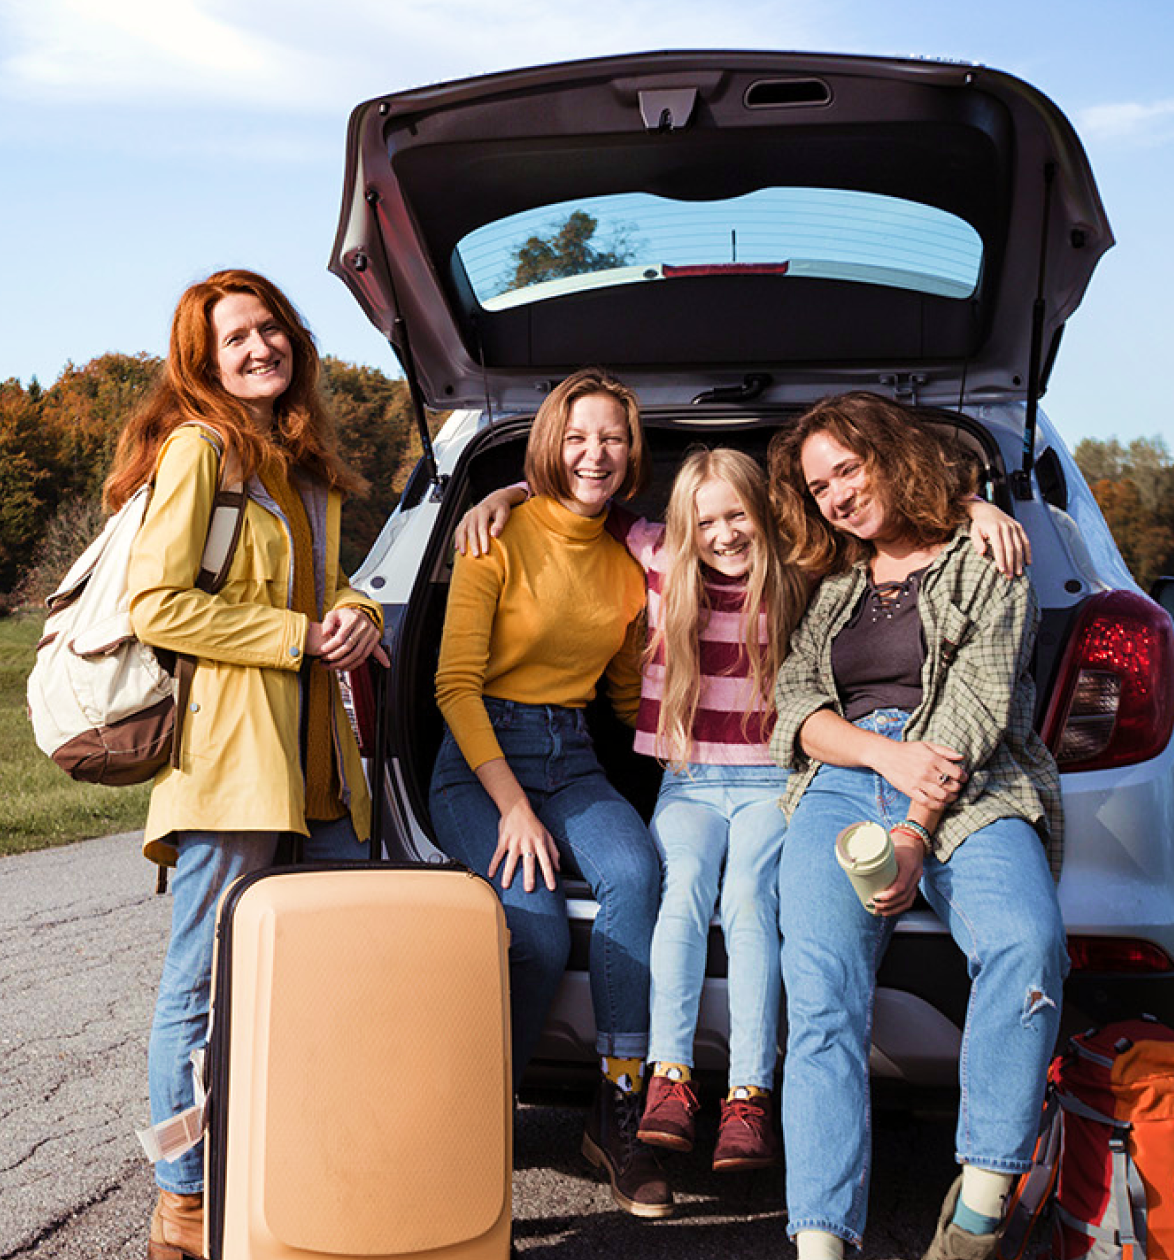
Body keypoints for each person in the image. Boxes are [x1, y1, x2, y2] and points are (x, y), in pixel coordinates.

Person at [456, 449, 1022, 1188]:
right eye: (706, 521)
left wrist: (973, 506)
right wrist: (506, 491)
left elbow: (885, 523)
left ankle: (747, 1095)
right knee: (680, 885)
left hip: (770, 783)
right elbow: (581, 496)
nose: (722, 534)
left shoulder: (798, 564)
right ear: (681, 528)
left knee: (752, 899)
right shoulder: (657, 552)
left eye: (737, 517)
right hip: (687, 783)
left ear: (767, 517)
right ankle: (668, 1077)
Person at [117, 269, 382, 1260]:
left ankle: (303, 1171)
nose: (259, 347)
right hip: (231, 765)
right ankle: (183, 1201)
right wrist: (296, 638)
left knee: (337, 977)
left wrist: (354, 617)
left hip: (317, 766)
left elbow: (336, 589)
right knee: (199, 989)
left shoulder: (301, 464)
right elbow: (157, 605)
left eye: (270, 329)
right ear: (206, 361)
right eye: (236, 339)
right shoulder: (200, 452)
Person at [764, 391, 1065, 1260]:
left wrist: (916, 824)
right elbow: (796, 705)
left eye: (848, 470)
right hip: (846, 778)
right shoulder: (834, 582)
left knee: (1027, 943)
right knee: (819, 997)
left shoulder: (988, 555)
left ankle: (976, 1214)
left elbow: (979, 700)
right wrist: (877, 757)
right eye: (820, 487)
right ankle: (820, 1245)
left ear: (892, 456)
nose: (838, 497)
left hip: (973, 781)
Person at [429, 368, 670, 1217]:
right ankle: (475, 1125)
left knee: (636, 874)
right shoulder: (493, 534)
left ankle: (618, 1113)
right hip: (480, 761)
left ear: (631, 450)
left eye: (611, 437)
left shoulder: (630, 568)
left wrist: (673, 663)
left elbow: (618, 698)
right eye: (576, 437)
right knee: (534, 931)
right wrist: (514, 808)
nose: (594, 453)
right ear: (549, 447)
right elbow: (453, 687)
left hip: (571, 755)